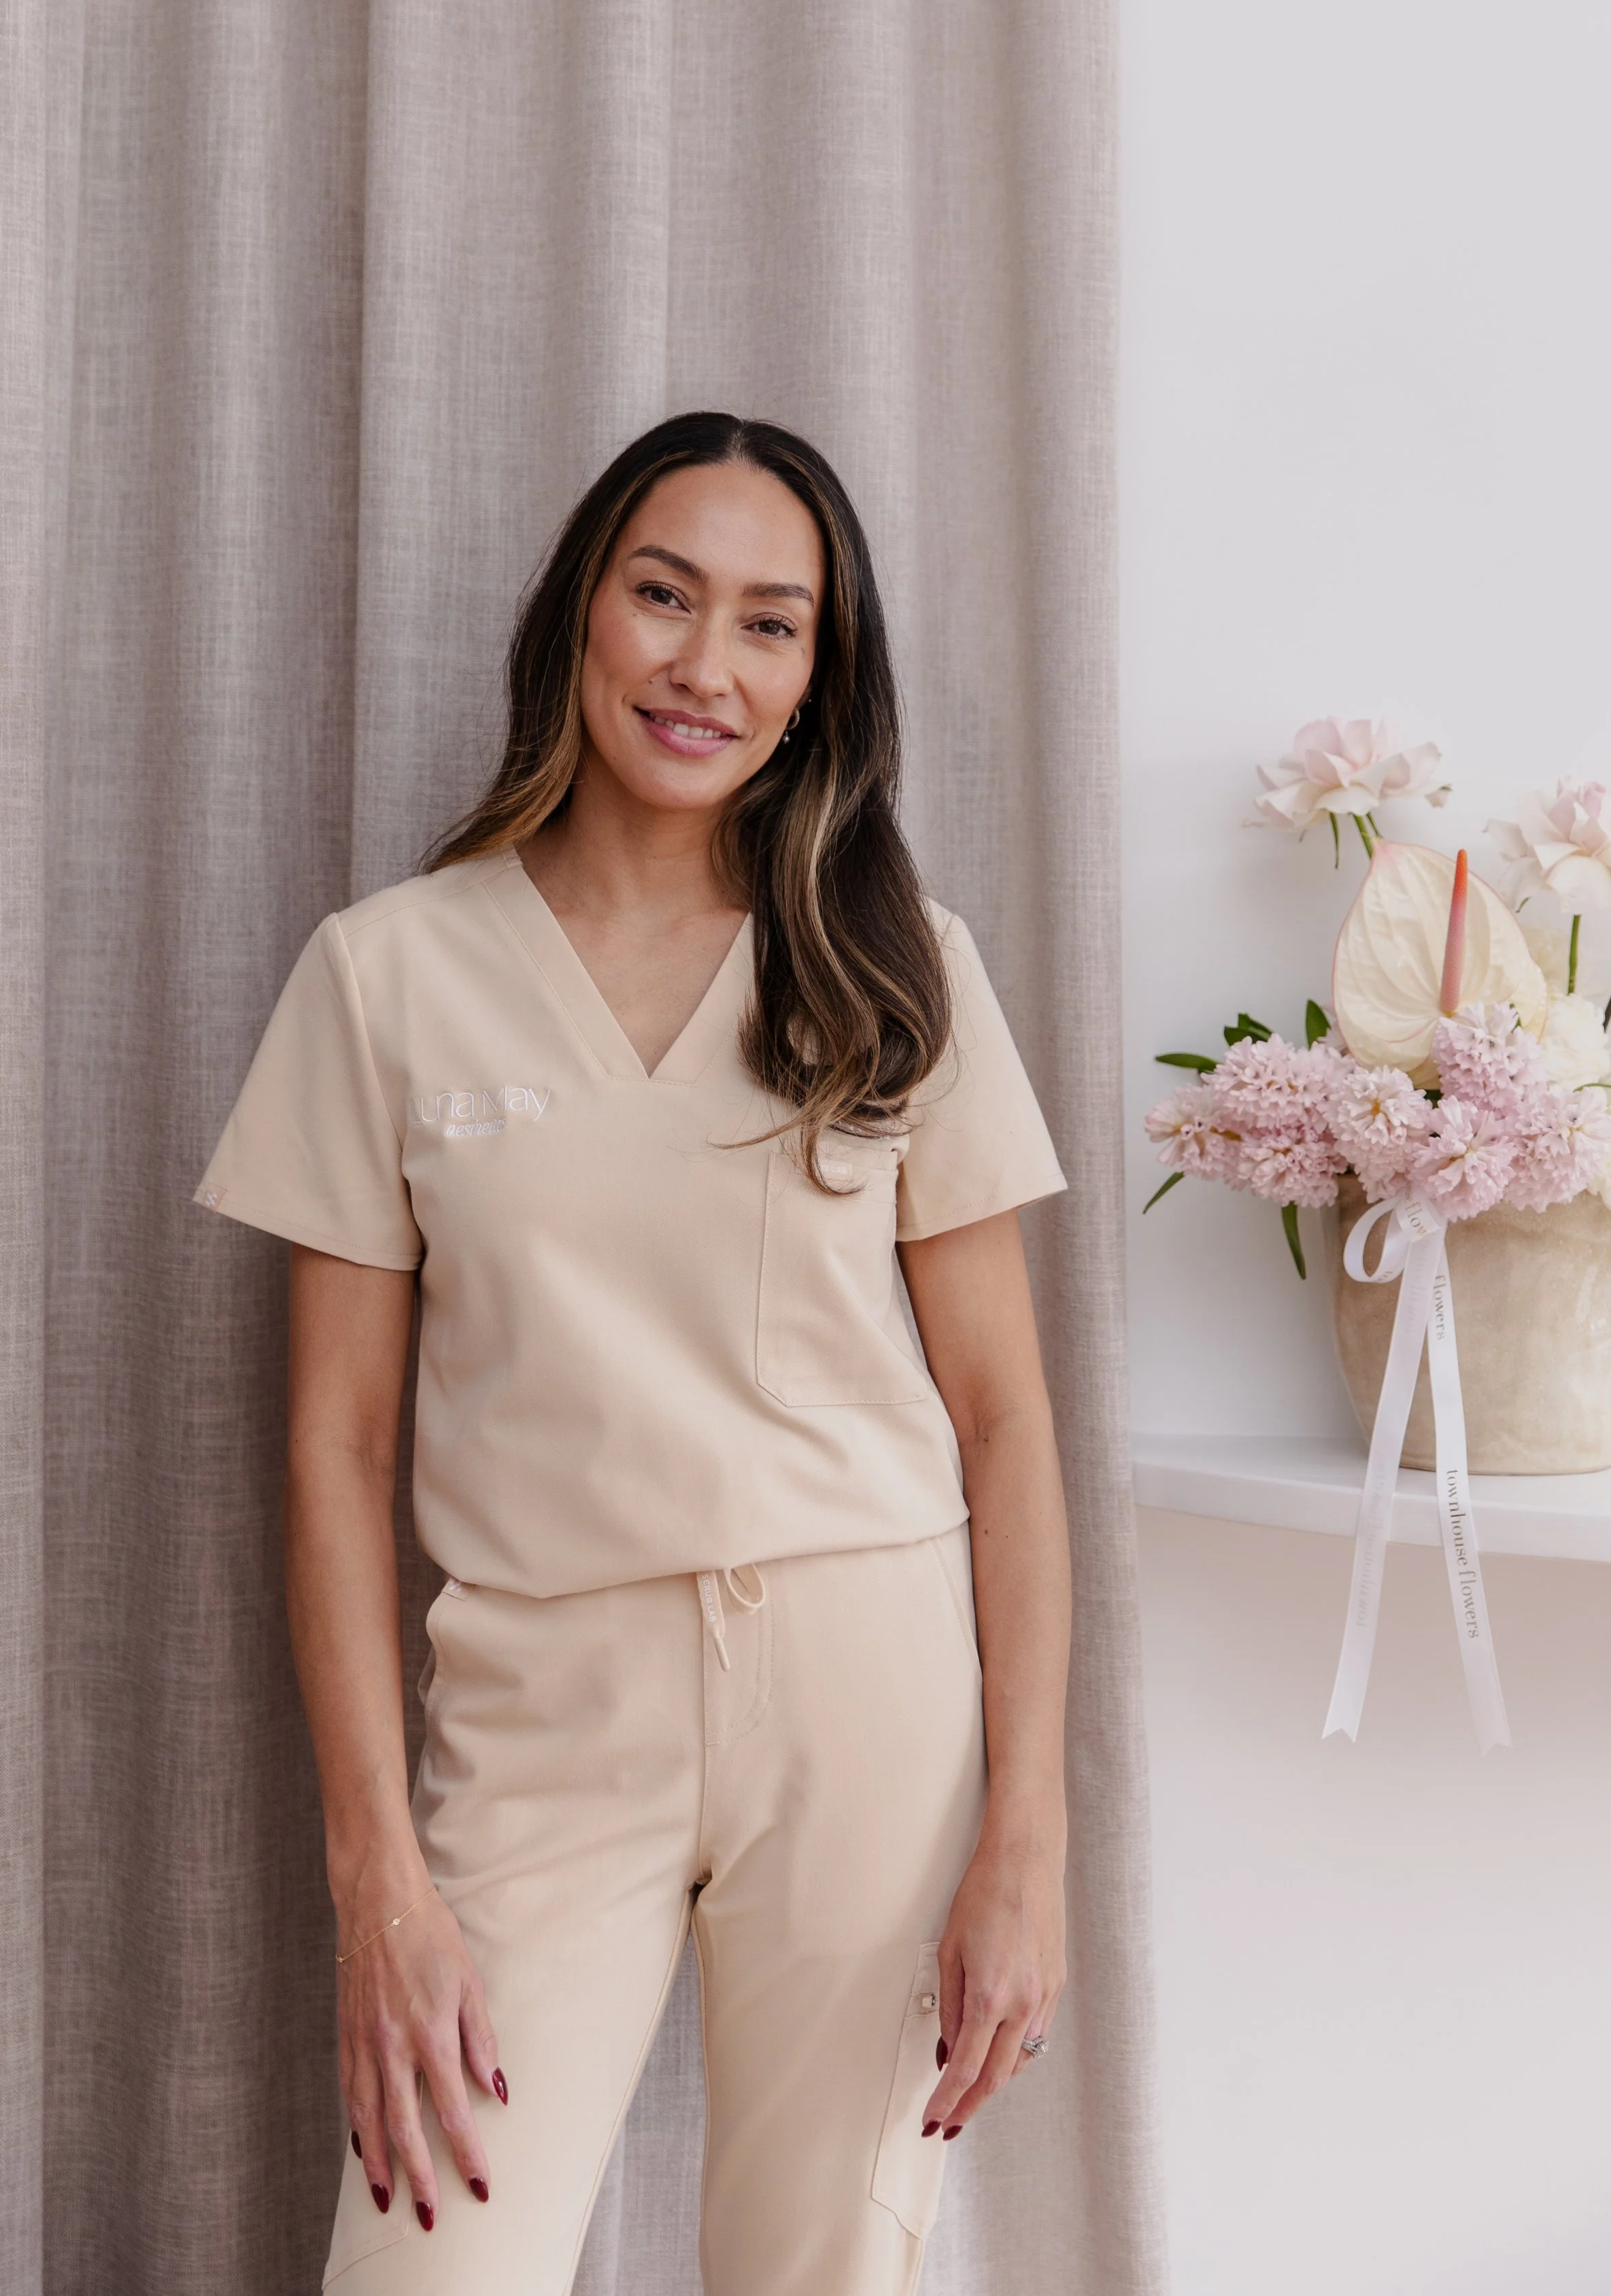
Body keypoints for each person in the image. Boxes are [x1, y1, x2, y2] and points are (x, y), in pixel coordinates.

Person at [195, 411, 1072, 2295]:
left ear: (819, 678)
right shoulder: (388, 973)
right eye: (664, 594)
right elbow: (334, 1456)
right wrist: (376, 1884)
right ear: (580, 613)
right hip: (541, 1703)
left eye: (772, 623)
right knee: (429, 2266)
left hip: (868, 1686)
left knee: (813, 2269)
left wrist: (1029, 1830)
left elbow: (1001, 1421)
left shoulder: (898, 962)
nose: (705, 663)